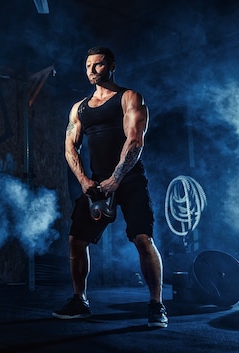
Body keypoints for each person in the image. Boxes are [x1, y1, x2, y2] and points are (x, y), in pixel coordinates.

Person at [52, 46, 168, 328]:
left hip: (128, 179)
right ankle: (80, 301)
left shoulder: (129, 98)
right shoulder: (79, 109)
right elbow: (69, 147)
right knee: (76, 241)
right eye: (88, 66)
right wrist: (85, 181)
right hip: (95, 184)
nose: (92, 71)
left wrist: (116, 178)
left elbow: (135, 140)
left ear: (111, 66)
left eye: (99, 65)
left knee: (143, 239)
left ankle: (156, 304)